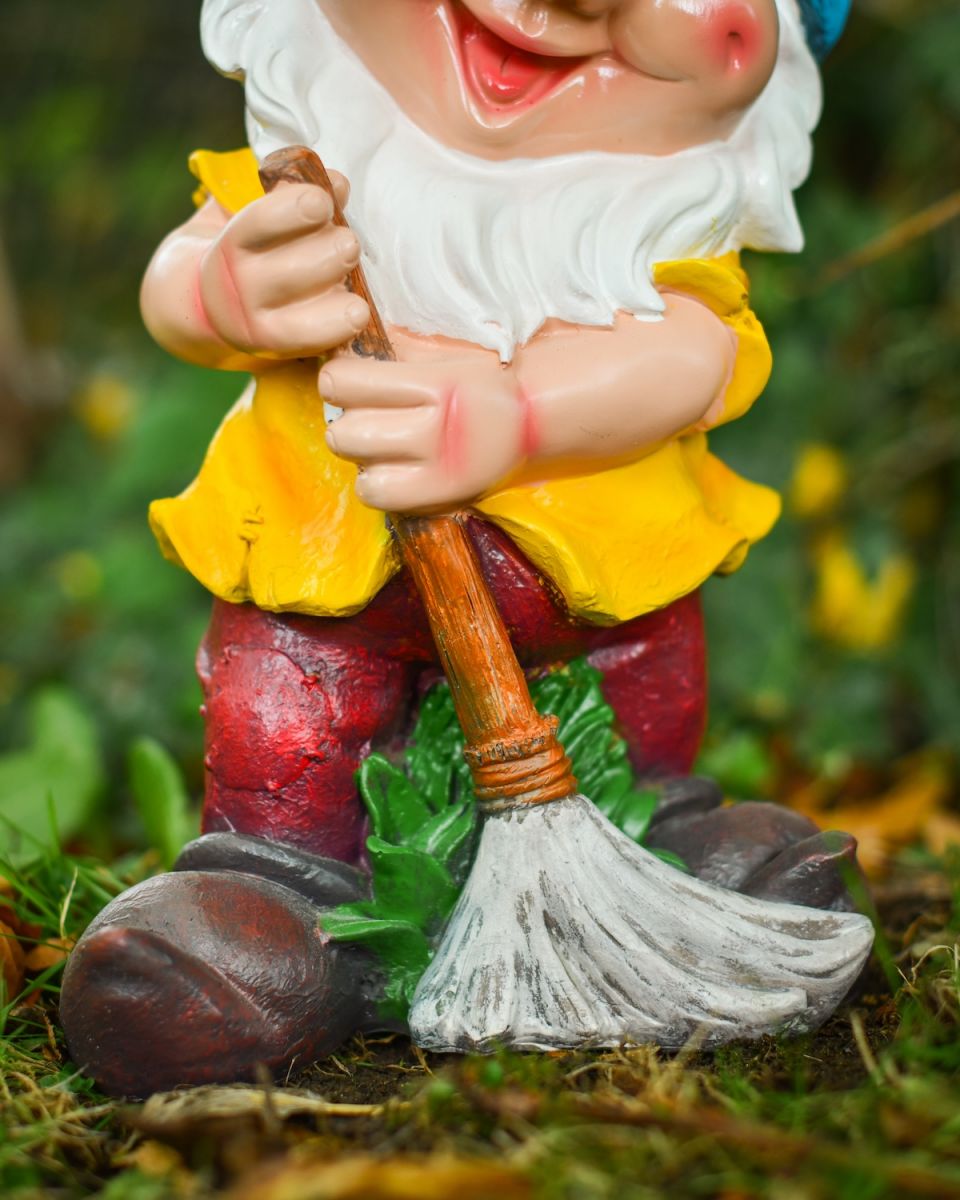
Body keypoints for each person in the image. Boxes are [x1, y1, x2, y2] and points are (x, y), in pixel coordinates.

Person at [61, 0, 861, 1095]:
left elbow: (696, 353)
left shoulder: (658, 230)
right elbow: (183, 283)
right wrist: (226, 288)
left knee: (634, 717)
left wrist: (524, 417)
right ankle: (269, 909)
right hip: (324, 589)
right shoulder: (299, 174)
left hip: (597, 608)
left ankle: (669, 845)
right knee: (286, 726)